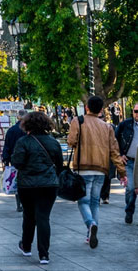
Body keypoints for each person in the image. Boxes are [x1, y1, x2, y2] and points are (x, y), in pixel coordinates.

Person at [67, 96, 127, 248]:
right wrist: (122, 172)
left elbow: (71, 141)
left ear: (87, 107)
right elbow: (114, 151)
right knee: (95, 202)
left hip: (83, 168)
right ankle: (90, 235)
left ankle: (90, 224)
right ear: (101, 110)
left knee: (83, 201)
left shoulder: (78, 121)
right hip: (101, 169)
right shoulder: (107, 127)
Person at [11, 111, 64, 265]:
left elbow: (17, 162)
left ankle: (26, 246)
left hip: (27, 185)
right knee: (43, 217)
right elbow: (59, 164)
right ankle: (44, 254)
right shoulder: (53, 142)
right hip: (49, 184)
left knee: (29, 215)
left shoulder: (23, 142)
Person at [115, 103, 138, 224]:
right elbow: (114, 140)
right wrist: (120, 154)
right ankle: (129, 211)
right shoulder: (125, 124)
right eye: (136, 111)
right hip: (129, 161)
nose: (137, 114)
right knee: (131, 187)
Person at [2, 108, 28, 212]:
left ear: (18, 117)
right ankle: (26, 203)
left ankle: (19, 204)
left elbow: (7, 146)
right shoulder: (28, 130)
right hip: (27, 160)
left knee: (17, 181)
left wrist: (5, 160)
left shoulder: (11, 130)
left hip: (15, 160)